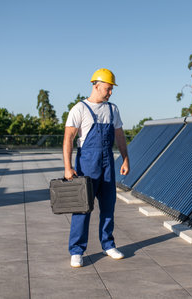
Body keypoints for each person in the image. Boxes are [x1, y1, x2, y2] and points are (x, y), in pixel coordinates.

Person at [62, 68, 130, 268]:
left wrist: (125, 159)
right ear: (96, 85)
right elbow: (68, 139)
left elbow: (119, 136)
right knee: (82, 208)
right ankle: (76, 250)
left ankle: (108, 245)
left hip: (108, 162)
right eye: (107, 89)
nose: (110, 93)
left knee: (108, 206)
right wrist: (67, 167)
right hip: (87, 165)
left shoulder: (113, 109)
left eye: (111, 90)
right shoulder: (79, 109)